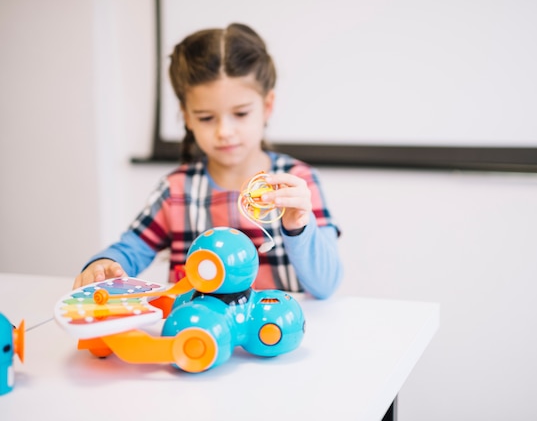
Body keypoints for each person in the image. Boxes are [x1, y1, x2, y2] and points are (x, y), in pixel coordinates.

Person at [73, 23, 343, 299]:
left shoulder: (298, 182)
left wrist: (299, 226)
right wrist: (102, 265)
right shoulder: (175, 191)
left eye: (240, 114)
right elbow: (129, 250)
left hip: (277, 335)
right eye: (205, 118)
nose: (224, 131)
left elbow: (326, 285)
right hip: (199, 334)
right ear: (187, 117)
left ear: (267, 106)